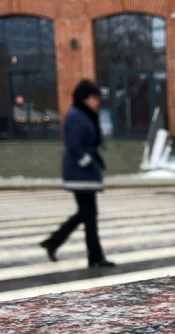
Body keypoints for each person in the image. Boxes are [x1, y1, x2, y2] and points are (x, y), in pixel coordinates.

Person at [40, 80, 116, 269]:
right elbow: (73, 146)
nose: (97, 102)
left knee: (86, 214)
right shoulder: (76, 116)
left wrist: (96, 161)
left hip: (84, 174)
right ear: (84, 98)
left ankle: (55, 242)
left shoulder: (84, 115)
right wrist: (89, 163)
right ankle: (94, 257)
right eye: (94, 98)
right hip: (79, 174)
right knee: (89, 215)